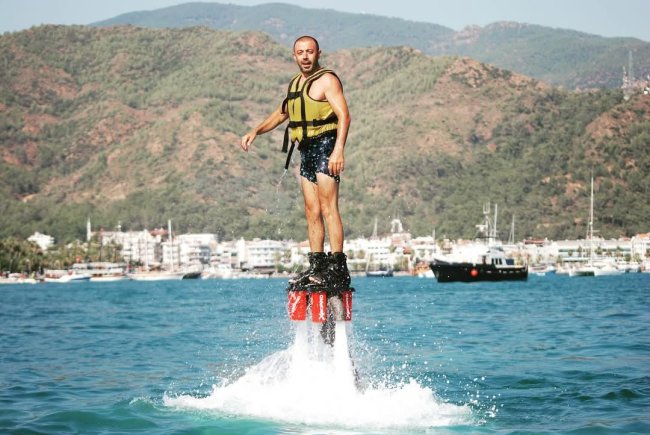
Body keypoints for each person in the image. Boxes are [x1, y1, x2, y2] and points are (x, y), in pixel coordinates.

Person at [240, 35, 351, 289]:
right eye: (300, 52)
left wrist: (338, 150)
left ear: (318, 53)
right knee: (311, 210)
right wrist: (255, 131)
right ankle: (317, 266)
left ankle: (338, 268)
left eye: (310, 51)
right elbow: (282, 113)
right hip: (306, 150)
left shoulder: (327, 80)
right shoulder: (295, 83)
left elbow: (344, 116)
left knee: (328, 207)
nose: (305, 56)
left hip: (326, 146)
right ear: (294, 56)